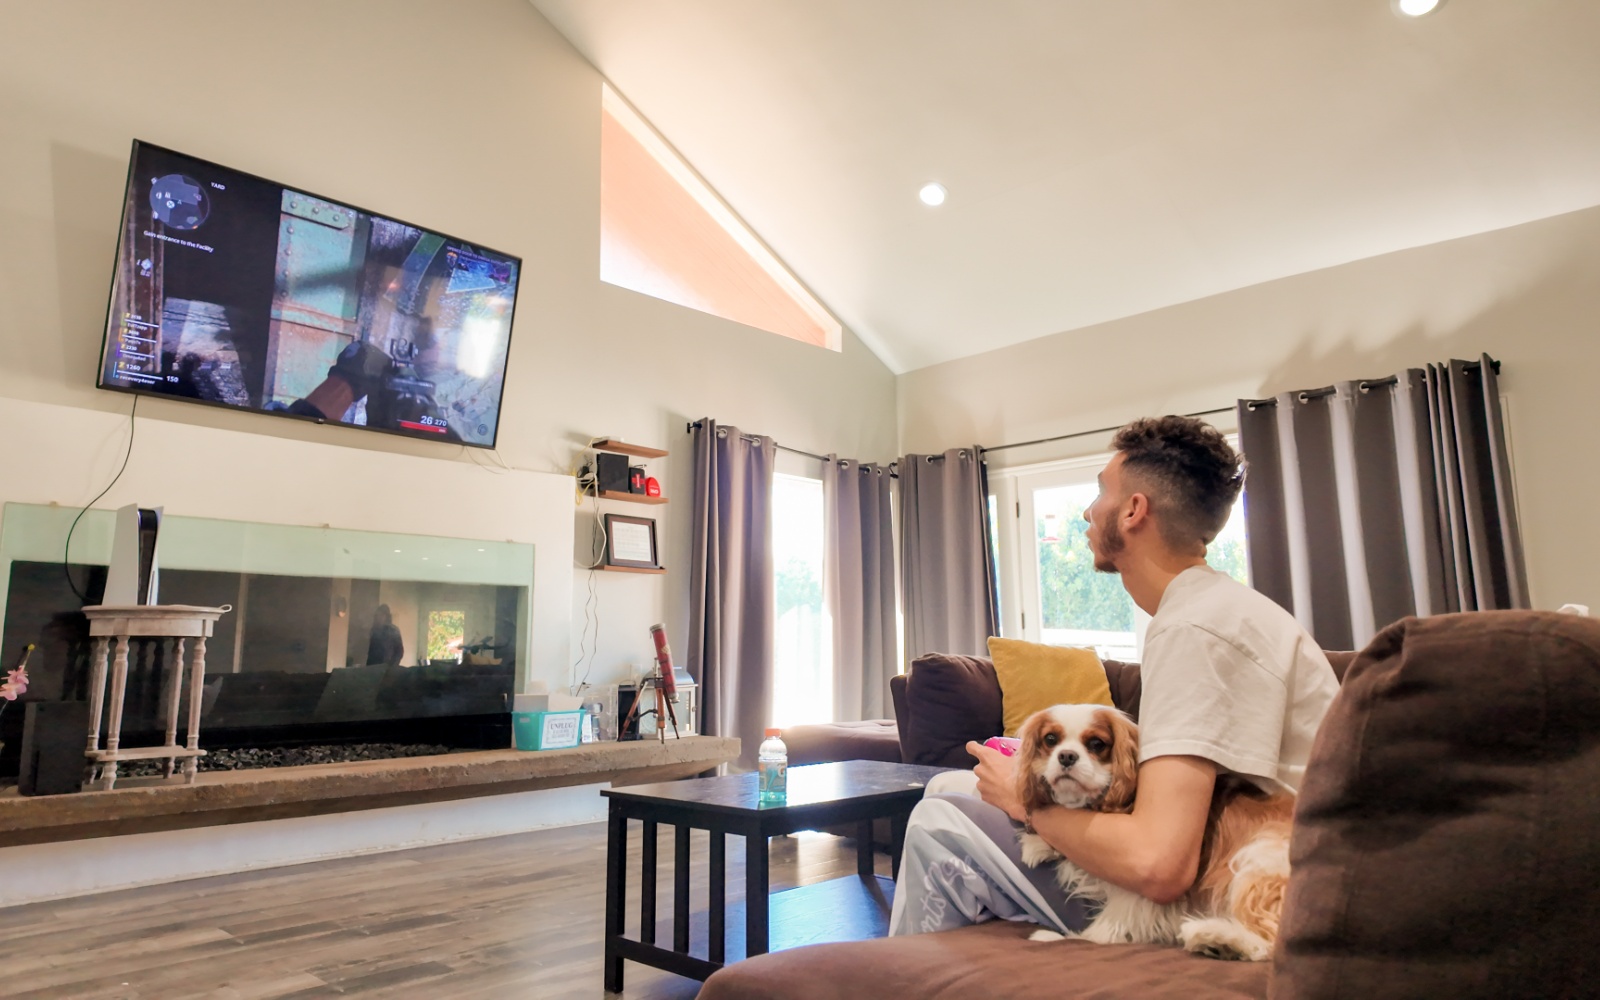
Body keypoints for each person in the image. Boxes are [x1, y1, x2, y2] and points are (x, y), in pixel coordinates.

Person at [888, 415, 1341, 937]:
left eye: (1101, 490)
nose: (1089, 510)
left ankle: (907, 971)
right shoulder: (1219, 608)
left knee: (938, 822)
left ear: (1133, 510)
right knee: (950, 784)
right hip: (1253, 856)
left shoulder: (1195, 628)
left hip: (1262, 887)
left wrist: (1025, 803)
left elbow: (1159, 865)